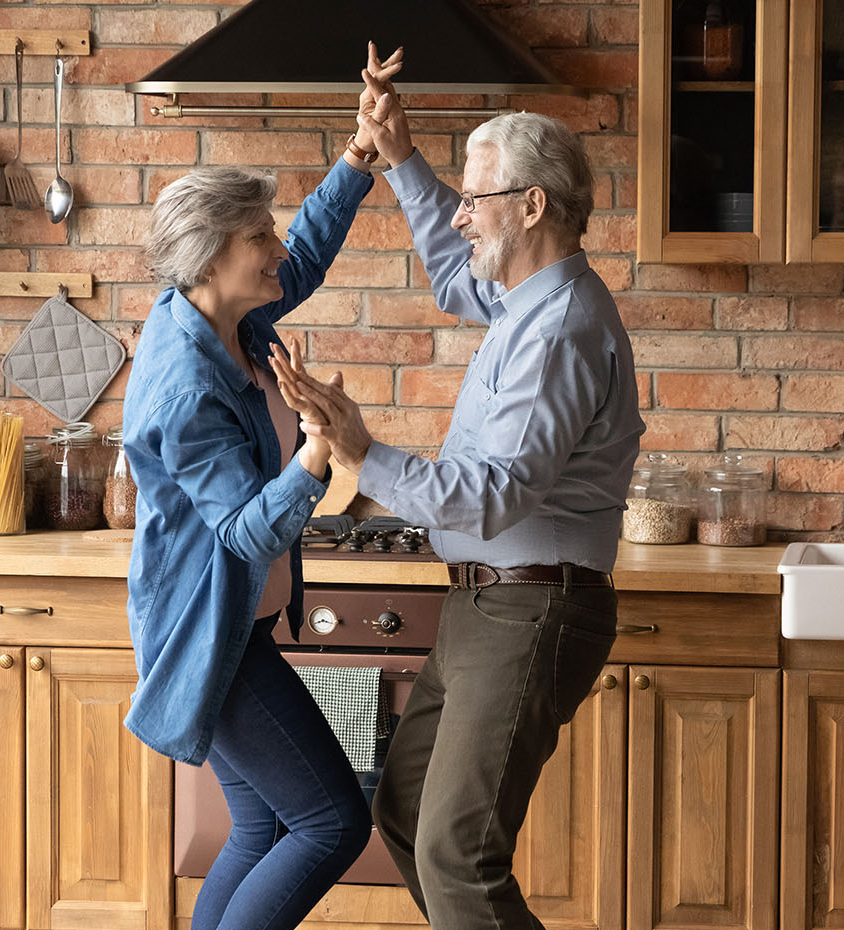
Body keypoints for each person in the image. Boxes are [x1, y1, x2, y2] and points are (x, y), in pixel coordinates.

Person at [273, 49, 644, 930]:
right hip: (489, 607)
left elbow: (491, 498)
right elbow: (454, 271)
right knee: (404, 814)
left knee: (455, 852)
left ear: (532, 205)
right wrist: (399, 156)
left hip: (533, 607)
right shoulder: (523, 298)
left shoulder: (557, 331)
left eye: (476, 200)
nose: (462, 214)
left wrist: (362, 449)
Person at [120, 48, 401, 930]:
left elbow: (304, 259)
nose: (276, 250)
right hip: (208, 634)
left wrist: (360, 157)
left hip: (230, 623)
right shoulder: (188, 384)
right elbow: (242, 531)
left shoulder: (219, 320)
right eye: (258, 239)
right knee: (331, 821)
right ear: (211, 257)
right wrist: (317, 453)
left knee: (261, 823)